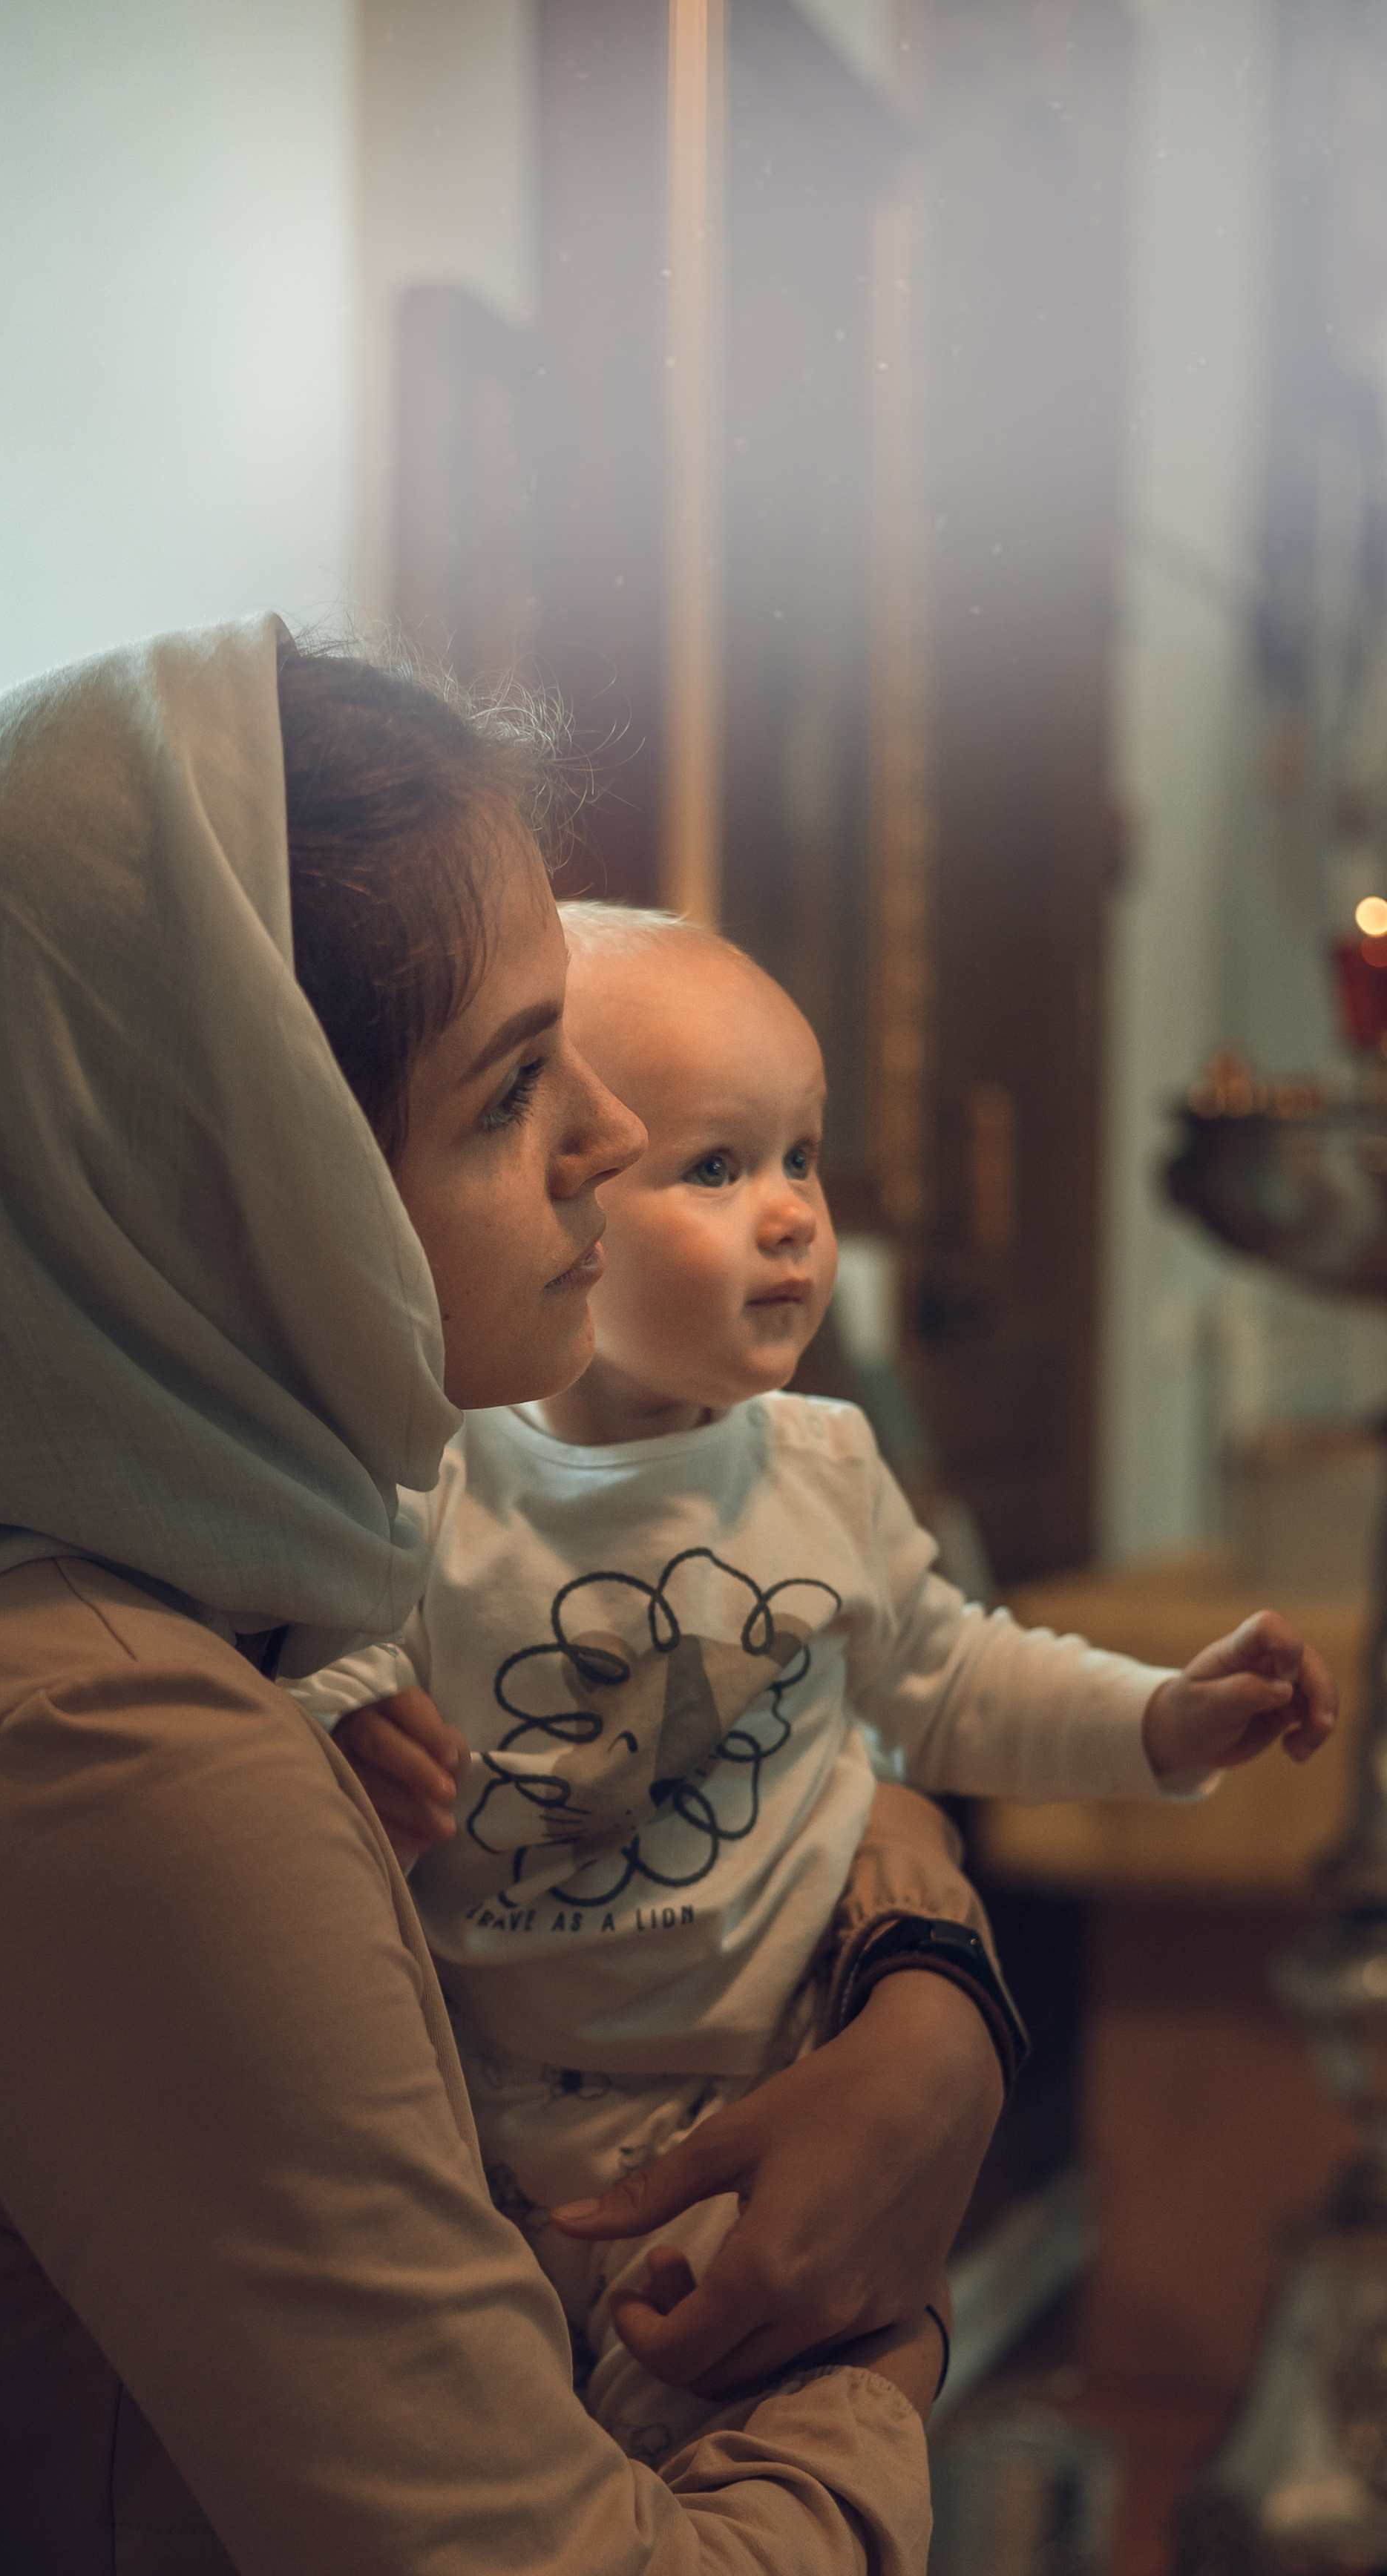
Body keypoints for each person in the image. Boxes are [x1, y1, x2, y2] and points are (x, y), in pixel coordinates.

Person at [0, 625, 1374, 2576]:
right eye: (513, 1085)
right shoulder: (114, 1759)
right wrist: (874, 2309)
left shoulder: (124, 1597)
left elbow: (887, 1679)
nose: (619, 1142)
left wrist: (921, 1978)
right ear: (240, 1182)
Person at [287, 907, 1339, 2439]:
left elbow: (952, 1674)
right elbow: (300, 1666)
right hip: (485, 2122)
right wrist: (338, 1716)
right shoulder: (437, 1484)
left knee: (715, 2451)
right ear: (552, 1195)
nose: (789, 1217)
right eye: (712, 1167)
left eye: (798, 1157)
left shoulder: (822, 1468)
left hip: (771, 2102)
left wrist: (1161, 1716)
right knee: (494, 2471)